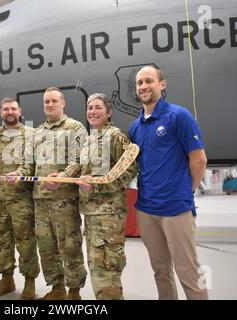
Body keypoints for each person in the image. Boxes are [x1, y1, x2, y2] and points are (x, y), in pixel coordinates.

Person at [128, 65, 209, 300]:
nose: (144, 86)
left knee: (188, 272)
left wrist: (186, 191)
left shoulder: (178, 116)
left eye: (149, 81)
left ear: (162, 85)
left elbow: (199, 159)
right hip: (146, 210)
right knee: (161, 271)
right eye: (140, 83)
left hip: (175, 209)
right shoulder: (135, 128)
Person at [11, 87, 87, 300]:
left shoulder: (75, 128)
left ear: (63, 103)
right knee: (46, 249)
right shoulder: (37, 132)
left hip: (65, 201)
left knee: (70, 247)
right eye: (47, 102)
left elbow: (80, 160)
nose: (50, 105)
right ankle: (57, 289)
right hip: (40, 200)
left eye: (54, 101)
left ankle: (74, 292)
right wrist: (18, 173)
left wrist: (62, 176)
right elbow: (28, 164)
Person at [77, 93, 138, 300]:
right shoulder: (90, 139)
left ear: (109, 112)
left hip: (109, 215)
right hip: (92, 213)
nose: (92, 112)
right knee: (96, 265)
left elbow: (129, 170)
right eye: (90, 108)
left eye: (98, 108)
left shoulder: (116, 136)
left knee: (107, 266)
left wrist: (96, 188)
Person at [0, 97, 40, 299]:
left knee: (26, 242)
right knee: (0, 242)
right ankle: (7, 279)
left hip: (22, 199)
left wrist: (21, 173)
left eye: (13, 108)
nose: (10, 112)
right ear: (1, 113)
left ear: (20, 111)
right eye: (6, 109)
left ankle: (29, 281)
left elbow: (33, 163)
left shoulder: (31, 135)